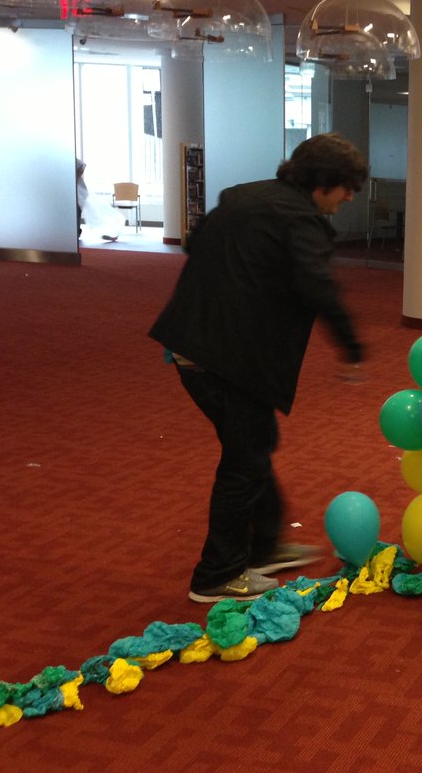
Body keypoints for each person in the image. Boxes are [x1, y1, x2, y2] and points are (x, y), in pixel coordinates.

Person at [150, 132, 369, 603]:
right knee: (244, 460)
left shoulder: (245, 196)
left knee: (252, 443)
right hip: (227, 358)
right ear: (324, 182)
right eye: (348, 186)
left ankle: (266, 546)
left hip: (193, 345)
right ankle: (218, 574)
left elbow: (194, 243)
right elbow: (318, 286)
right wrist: (351, 346)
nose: (350, 196)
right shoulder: (300, 218)